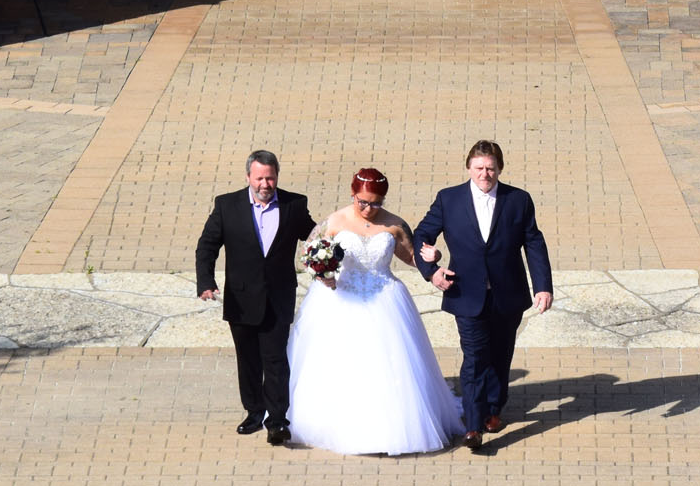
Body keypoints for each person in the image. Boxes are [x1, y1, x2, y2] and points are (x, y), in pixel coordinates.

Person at [286, 167, 465, 454]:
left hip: (385, 298)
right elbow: (309, 252)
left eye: (376, 203)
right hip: (341, 298)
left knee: (391, 360)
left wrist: (434, 259)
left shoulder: (394, 225)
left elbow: (411, 257)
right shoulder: (334, 221)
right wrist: (322, 274)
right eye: (363, 202)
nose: (369, 209)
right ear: (353, 194)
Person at [413, 140, 553, 453]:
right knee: (474, 358)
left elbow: (533, 242)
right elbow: (421, 235)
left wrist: (542, 285)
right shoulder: (449, 200)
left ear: (500, 169)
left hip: (508, 294)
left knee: (500, 356)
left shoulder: (518, 200)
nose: (485, 174)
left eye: (490, 168)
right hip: (466, 294)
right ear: (469, 168)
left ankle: (493, 407)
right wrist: (432, 269)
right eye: (479, 168)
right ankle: (473, 426)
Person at [195, 149, 314, 445]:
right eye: (260, 178)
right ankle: (253, 412)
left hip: (278, 298)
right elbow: (207, 246)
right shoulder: (227, 205)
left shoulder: (294, 205)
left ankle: (277, 421)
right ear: (249, 176)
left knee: (275, 361)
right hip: (241, 298)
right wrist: (206, 282)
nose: (265, 184)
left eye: (270, 178)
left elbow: (314, 237)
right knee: (248, 360)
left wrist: (327, 257)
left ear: (277, 177)